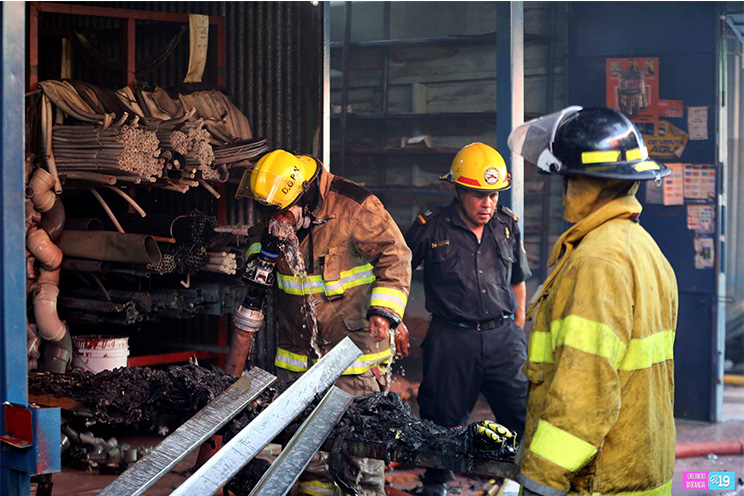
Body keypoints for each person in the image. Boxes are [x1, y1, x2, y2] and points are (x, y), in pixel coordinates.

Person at [507, 106, 678, 496]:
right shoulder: (644, 249)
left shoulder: (596, 261)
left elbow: (584, 393)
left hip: (599, 481)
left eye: (567, 179)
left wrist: (540, 480)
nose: (564, 190)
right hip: (640, 471)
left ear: (586, 183)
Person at [231, 149, 412, 496]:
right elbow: (258, 242)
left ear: (305, 198)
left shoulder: (355, 207)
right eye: (268, 214)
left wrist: (385, 311)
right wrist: (258, 259)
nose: (276, 222)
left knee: (360, 462)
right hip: (298, 366)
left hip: (355, 366)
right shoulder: (276, 211)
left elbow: (396, 255)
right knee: (308, 461)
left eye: (283, 213)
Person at [405, 142, 531, 496]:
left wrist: (516, 328)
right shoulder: (430, 227)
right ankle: (436, 485)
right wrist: (394, 318)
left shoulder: (507, 225)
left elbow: (518, 279)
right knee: (442, 421)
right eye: (478, 195)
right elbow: (396, 272)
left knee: (523, 412)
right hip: (451, 339)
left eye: (492, 195)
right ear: (458, 190)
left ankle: (522, 481)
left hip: (503, 338)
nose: (487, 204)